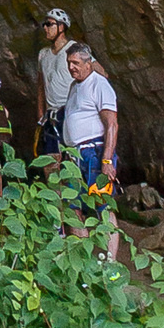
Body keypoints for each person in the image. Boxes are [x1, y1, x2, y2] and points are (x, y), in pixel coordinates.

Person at [59, 39, 120, 253]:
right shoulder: (74, 86)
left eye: (75, 62)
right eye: (69, 62)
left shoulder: (99, 84)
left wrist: (106, 160)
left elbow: (111, 124)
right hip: (74, 156)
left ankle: (110, 262)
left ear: (88, 64)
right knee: (72, 206)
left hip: (94, 153)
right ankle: (84, 259)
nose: (71, 67)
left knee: (102, 205)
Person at [33, 10, 76, 164]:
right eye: (45, 24)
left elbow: (96, 73)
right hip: (51, 115)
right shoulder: (43, 54)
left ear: (61, 27)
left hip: (70, 110)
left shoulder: (74, 49)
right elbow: (40, 86)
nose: (45, 28)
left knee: (71, 157)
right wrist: (40, 114)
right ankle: (54, 188)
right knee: (50, 159)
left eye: (49, 24)